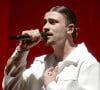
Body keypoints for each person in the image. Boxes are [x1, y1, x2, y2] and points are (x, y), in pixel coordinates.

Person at [2, 6, 100, 90]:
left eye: (53, 22)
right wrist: (22, 50)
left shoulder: (87, 63)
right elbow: (10, 87)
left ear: (70, 29)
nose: (45, 27)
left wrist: (51, 85)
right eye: (44, 22)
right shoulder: (40, 63)